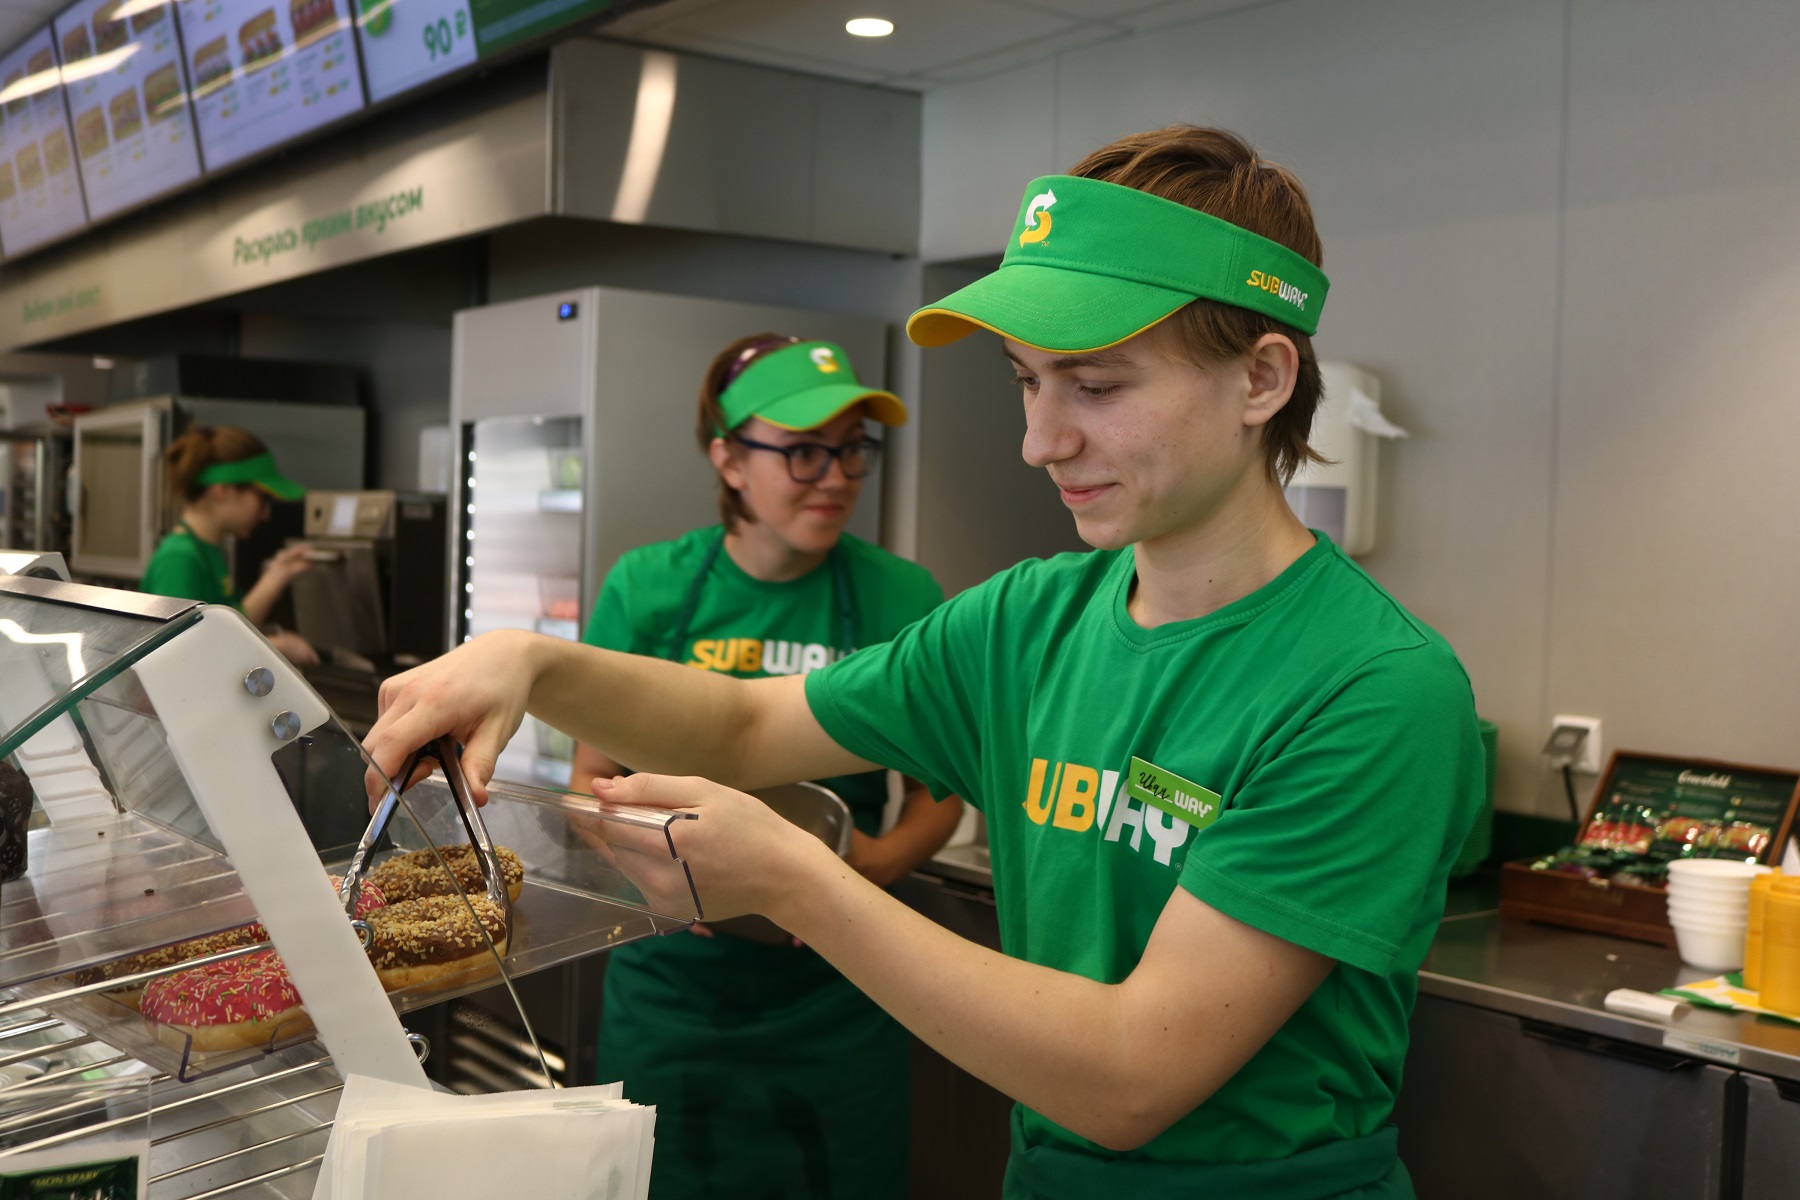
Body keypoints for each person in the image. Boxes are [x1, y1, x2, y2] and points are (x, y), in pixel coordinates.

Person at [367, 126, 1483, 1199]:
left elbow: (1133, 1076)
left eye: (1096, 387)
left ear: (1262, 378)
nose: (1042, 441)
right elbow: (749, 728)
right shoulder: (1028, 620)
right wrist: (533, 665)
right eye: (1027, 383)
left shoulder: (1372, 688)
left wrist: (802, 881)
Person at [571, 334, 963, 1199]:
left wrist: (874, 866)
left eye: (854, 448)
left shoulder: (902, 598)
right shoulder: (649, 588)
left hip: (843, 988)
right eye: (805, 451)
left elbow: (940, 798)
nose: (838, 477)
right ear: (729, 457)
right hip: (673, 985)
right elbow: (585, 786)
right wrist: (648, 865)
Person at [142, 426, 318, 666]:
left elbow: (231, 625)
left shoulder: (206, 551)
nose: (266, 514)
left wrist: (278, 574)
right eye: (262, 498)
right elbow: (182, 652)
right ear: (222, 491)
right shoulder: (179, 559)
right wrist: (278, 646)